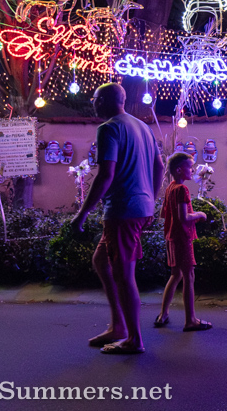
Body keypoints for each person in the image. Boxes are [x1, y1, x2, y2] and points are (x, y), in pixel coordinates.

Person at [71, 83, 163, 355]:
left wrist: (82, 212)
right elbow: (159, 166)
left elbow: (105, 175)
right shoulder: (143, 127)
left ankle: (134, 338)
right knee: (101, 260)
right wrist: (151, 198)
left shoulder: (108, 128)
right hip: (139, 208)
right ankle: (119, 325)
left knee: (124, 275)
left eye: (96, 98)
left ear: (106, 100)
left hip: (122, 210)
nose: (93, 102)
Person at [154, 153, 211, 332]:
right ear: (179, 169)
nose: (192, 170)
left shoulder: (170, 188)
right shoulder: (181, 189)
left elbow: (164, 214)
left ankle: (163, 314)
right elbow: (184, 217)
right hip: (182, 237)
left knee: (175, 274)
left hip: (171, 236)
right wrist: (200, 215)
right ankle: (190, 320)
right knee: (189, 276)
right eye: (189, 166)